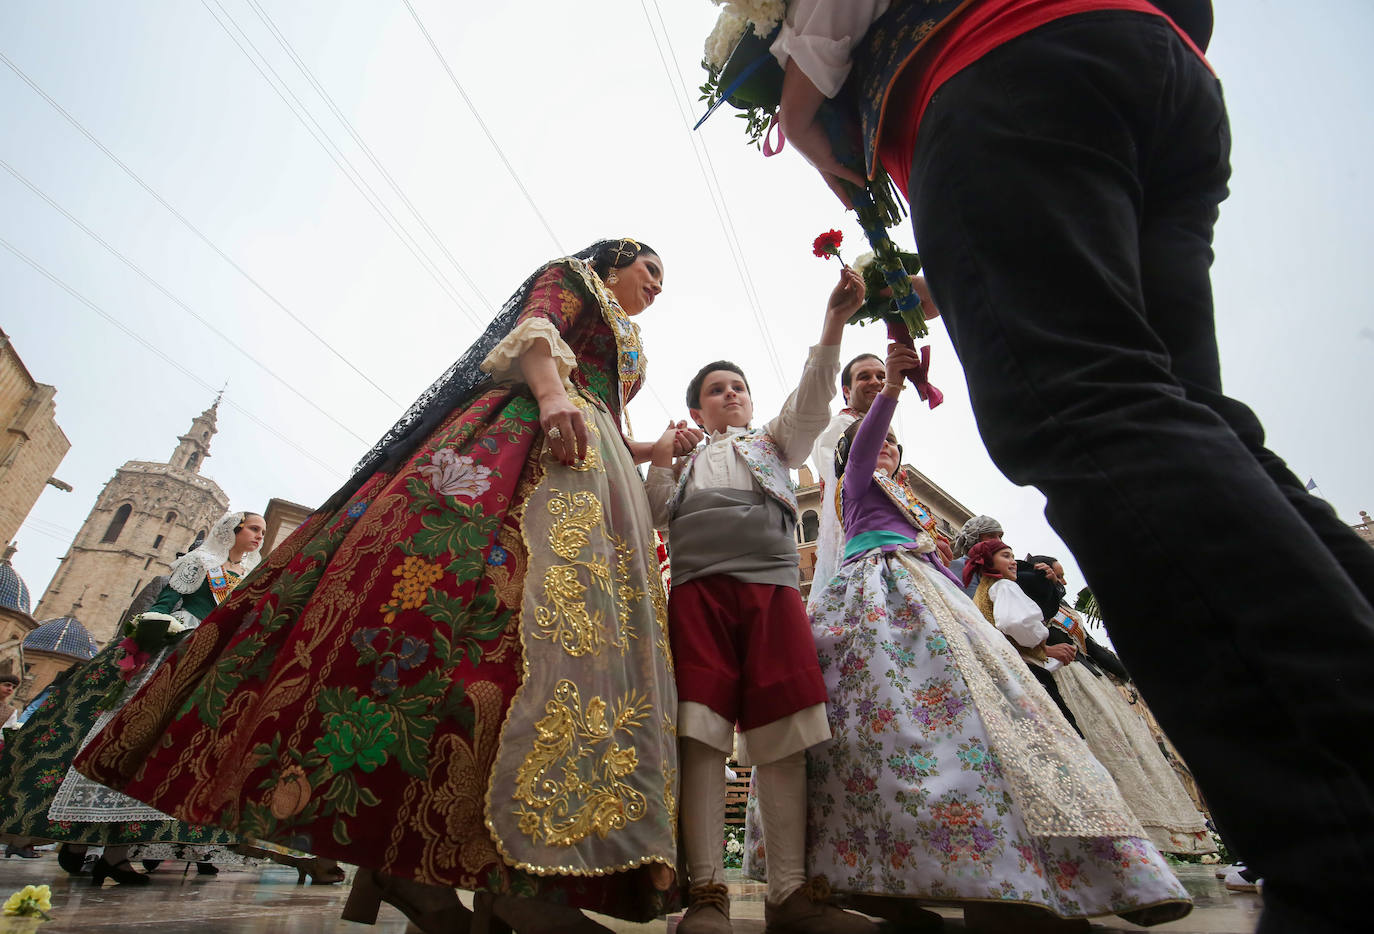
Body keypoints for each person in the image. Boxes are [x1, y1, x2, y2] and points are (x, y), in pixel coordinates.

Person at [768, 4, 1374, 929]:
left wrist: (805, 113)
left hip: (1004, 59)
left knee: (1093, 416)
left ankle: (1340, 838)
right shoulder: (841, 449)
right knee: (1185, 417)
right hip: (1151, 68)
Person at [75, 240, 680, 934]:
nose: (659, 285)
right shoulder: (572, 278)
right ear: (615, 261)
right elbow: (537, 334)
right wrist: (547, 397)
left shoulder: (630, 342)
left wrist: (651, 450)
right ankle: (458, 880)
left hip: (592, 459)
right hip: (526, 446)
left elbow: (595, 406)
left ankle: (490, 878)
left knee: (557, 656)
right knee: (470, 624)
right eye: (651, 269)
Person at [760, 340, 1189, 930]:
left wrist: (976, 589)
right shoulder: (851, 484)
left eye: (890, 444)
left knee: (1006, 723)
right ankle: (899, 879)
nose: (880, 446)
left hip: (936, 605)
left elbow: (943, 566)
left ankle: (1076, 872)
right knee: (897, 732)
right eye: (874, 441)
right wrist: (889, 387)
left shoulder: (911, 505)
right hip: (876, 599)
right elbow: (863, 449)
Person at [645, 266, 876, 934]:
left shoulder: (776, 441)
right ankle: (707, 894)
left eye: (738, 388)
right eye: (717, 390)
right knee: (700, 734)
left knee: (785, 732)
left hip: (774, 593)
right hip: (696, 597)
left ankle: (790, 893)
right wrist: (662, 454)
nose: (730, 396)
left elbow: (809, 402)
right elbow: (656, 513)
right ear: (697, 409)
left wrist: (832, 324)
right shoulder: (680, 456)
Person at [0, 511, 266, 883]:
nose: (259, 537)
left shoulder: (250, 576)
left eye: (262, 532)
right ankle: (82, 843)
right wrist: (150, 636)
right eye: (254, 529)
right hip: (173, 649)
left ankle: (116, 851)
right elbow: (166, 602)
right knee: (126, 735)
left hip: (209, 660)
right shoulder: (199, 562)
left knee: (162, 749)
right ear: (233, 530)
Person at [1043, 587, 1216, 856]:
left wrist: (1126, 674)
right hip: (1069, 679)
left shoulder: (1063, 608)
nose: (1060, 579)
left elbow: (1093, 647)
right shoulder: (1031, 597)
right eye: (1056, 573)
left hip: (1092, 677)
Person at [964, 539, 1084, 735]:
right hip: (1027, 668)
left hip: (1008, 668)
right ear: (988, 561)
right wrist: (1040, 641)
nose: (1013, 562)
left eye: (1012, 556)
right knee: (1063, 729)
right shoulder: (1004, 585)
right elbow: (1013, 622)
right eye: (1005, 556)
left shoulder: (982, 590)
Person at [948, 515, 1003, 597]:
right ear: (973, 539)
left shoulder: (993, 572)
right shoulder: (962, 566)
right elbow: (970, 605)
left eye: (1000, 537)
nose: (999, 541)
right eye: (991, 536)